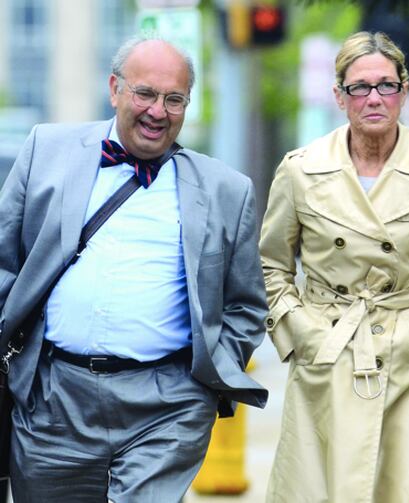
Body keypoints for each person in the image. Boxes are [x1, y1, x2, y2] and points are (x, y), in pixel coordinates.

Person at [0, 35, 268, 502]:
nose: (158, 111)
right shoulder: (47, 149)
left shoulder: (228, 190)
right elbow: (4, 261)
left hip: (167, 405)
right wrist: (24, 370)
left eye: (174, 99)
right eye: (145, 93)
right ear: (115, 89)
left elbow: (245, 305)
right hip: (54, 397)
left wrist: (200, 391)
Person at [259, 31, 409, 502]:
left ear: (404, 92)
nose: (374, 98)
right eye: (360, 87)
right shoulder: (300, 170)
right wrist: (299, 330)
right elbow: (270, 266)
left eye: (386, 86)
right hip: (326, 356)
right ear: (339, 96)